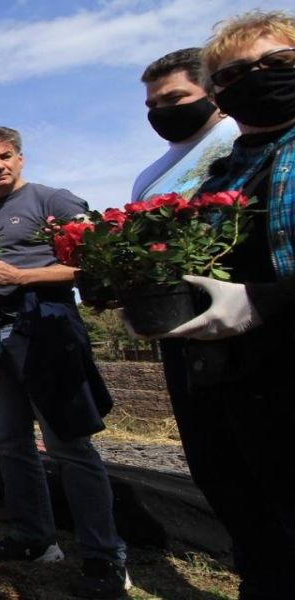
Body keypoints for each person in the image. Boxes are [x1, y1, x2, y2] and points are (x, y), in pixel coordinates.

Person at [0, 126, 129, 598]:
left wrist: (21, 276)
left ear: (21, 159)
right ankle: (34, 538)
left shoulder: (53, 201)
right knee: (9, 442)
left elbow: (93, 262)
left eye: (6, 156)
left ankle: (104, 557)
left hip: (44, 326)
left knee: (69, 444)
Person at [152, 12, 295, 599]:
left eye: (276, 64)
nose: (256, 78)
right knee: (248, 514)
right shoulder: (224, 173)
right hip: (225, 372)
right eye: (235, 73)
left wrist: (266, 301)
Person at [132, 47, 239, 202]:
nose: (161, 109)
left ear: (213, 92)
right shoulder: (146, 177)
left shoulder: (247, 141)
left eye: (174, 97)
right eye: (152, 105)